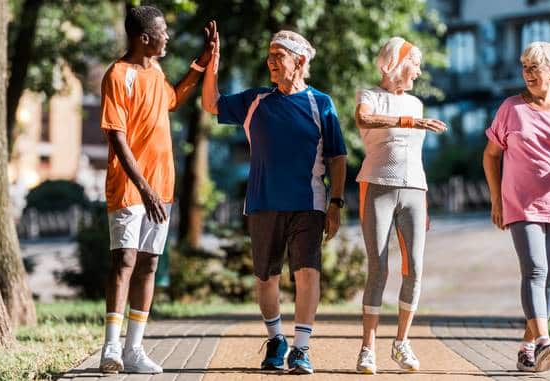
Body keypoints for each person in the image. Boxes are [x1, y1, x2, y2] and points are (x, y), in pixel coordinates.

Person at [202, 30, 347, 375]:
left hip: (307, 203)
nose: (271, 61)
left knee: (307, 273)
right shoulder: (257, 100)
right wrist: (213, 65)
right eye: (269, 55)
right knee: (267, 278)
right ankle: (276, 338)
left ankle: (301, 348)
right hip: (263, 202)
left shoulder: (321, 103)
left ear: (299, 61)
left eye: (278, 55)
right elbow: (211, 104)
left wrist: (336, 203)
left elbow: (338, 157)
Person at [98, 6, 217, 374]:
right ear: (144, 38)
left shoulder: (156, 71)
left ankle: (134, 350)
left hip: (161, 187)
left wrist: (201, 63)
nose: (168, 37)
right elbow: (117, 137)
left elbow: (173, 100)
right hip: (131, 188)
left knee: (149, 264)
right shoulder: (118, 75)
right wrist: (144, 188)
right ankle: (110, 349)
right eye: (162, 32)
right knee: (125, 262)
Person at [482, 41, 550, 373]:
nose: (528, 74)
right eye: (526, 67)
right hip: (521, 202)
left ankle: (528, 344)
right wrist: (496, 198)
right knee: (535, 270)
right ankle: (545, 341)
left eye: (536, 68)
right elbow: (490, 155)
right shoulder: (511, 108)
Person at [353, 37, 447, 375]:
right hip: (376, 186)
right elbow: (364, 120)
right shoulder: (370, 97)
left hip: (413, 191)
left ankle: (401, 342)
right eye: (415, 64)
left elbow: (417, 156)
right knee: (378, 269)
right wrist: (411, 123)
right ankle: (367, 349)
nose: (419, 72)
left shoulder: (417, 103)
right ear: (396, 61)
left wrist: (424, 201)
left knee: (415, 269)